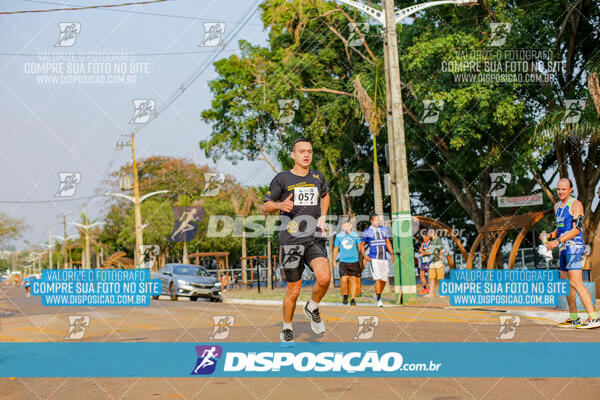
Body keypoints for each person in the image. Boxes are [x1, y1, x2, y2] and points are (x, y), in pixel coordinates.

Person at [263, 137, 331, 346]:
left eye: (309, 151)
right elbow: (265, 206)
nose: (306, 154)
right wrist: (279, 205)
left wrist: (323, 216)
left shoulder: (317, 176)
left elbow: (325, 195)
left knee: (325, 278)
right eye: (301, 151)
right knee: (294, 291)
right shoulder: (282, 179)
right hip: (291, 241)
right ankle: (287, 328)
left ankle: (312, 306)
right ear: (293, 155)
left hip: (314, 237)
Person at [542, 178, 599, 329]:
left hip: (573, 247)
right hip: (563, 248)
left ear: (571, 189)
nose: (560, 192)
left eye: (564, 189)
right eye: (558, 189)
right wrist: (550, 235)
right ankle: (574, 318)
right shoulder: (556, 206)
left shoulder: (576, 205)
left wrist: (557, 242)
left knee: (576, 282)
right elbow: (560, 228)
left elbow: (576, 230)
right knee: (566, 283)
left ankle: (593, 317)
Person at [360, 214, 394, 307]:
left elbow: (387, 242)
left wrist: (391, 253)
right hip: (374, 258)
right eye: (375, 221)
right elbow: (362, 244)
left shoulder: (384, 229)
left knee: (384, 279)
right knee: (378, 279)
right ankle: (379, 299)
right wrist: (364, 256)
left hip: (384, 258)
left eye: (378, 220)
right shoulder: (367, 231)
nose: (377, 222)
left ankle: (378, 294)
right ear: (371, 221)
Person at [333, 219, 362, 306]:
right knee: (343, 280)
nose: (347, 228)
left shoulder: (355, 235)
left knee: (353, 281)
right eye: (345, 226)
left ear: (351, 227)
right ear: (342, 227)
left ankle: (352, 299)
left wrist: (363, 259)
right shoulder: (339, 236)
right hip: (343, 262)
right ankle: (345, 295)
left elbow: (360, 247)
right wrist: (334, 260)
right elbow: (336, 249)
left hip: (354, 261)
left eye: (348, 226)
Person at [426, 229, 445, 298]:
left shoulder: (437, 239)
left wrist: (440, 259)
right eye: (429, 232)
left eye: (431, 232)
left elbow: (441, 250)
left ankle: (442, 293)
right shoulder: (432, 241)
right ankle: (431, 293)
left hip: (438, 261)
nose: (430, 233)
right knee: (431, 277)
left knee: (440, 278)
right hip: (432, 261)